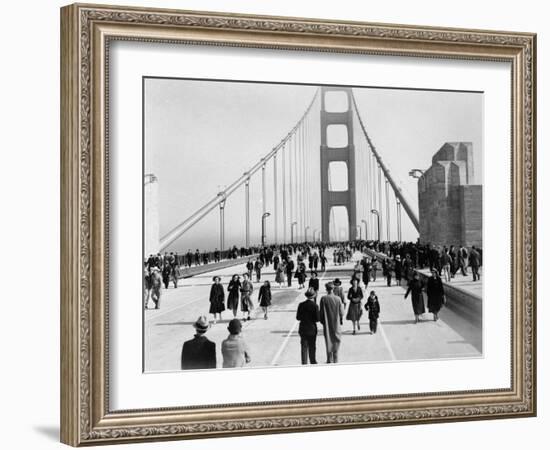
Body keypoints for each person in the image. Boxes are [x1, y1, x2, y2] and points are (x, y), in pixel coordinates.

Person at [319, 282, 344, 363]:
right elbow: (342, 313)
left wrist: (323, 322)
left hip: (327, 325)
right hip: (336, 325)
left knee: (328, 342)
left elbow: (321, 314)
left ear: (326, 289)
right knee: (336, 342)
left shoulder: (323, 299)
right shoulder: (338, 299)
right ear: (333, 289)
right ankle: (336, 360)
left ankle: (329, 360)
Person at [296, 288, 320, 365]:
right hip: (312, 329)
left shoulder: (301, 305)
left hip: (303, 328)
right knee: (312, 346)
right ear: (313, 296)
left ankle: (304, 363)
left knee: (304, 347)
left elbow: (298, 317)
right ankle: (313, 361)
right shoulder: (315, 306)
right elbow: (317, 319)